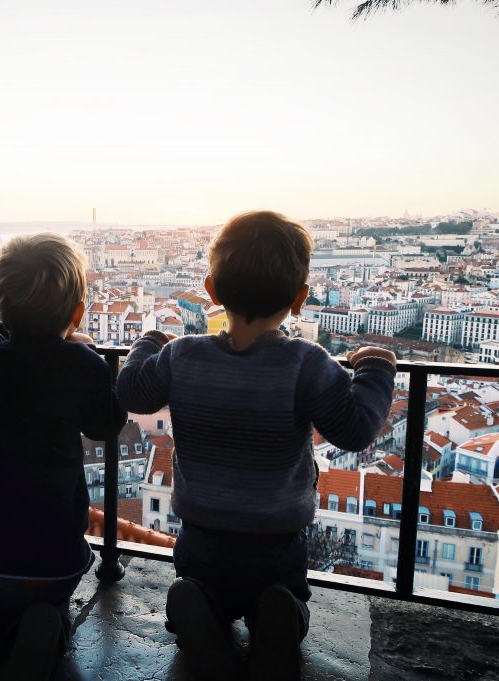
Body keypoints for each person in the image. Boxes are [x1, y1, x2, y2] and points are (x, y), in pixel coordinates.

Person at [116, 211, 397, 681]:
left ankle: (198, 608)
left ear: (211, 289)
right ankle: (278, 620)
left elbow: (133, 392)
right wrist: (376, 367)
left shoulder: (182, 354)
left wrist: (149, 341)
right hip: (276, 537)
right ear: (300, 299)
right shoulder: (305, 362)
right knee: (282, 598)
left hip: (202, 531)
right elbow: (354, 428)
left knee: (205, 591)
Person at [0, 232, 125, 681]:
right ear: (77, 312)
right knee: (46, 606)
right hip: (50, 565)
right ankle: (45, 627)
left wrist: (19, 328)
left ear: (1, 304)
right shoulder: (80, 364)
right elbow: (107, 425)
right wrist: (72, 349)